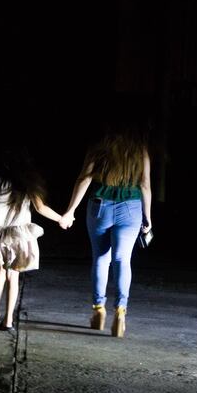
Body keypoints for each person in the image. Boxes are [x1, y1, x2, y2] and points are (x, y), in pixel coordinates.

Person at [60, 118, 152, 338]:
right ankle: (120, 312)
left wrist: (70, 210)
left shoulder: (99, 148)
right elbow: (145, 185)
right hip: (131, 207)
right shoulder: (141, 151)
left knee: (101, 258)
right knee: (122, 260)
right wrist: (148, 217)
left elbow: (84, 179)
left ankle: (98, 311)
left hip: (100, 206)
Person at [0, 146, 64, 331]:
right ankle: (8, 320)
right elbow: (41, 208)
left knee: (0, 272)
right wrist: (61, 219)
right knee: (14, 276)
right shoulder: (27, 184)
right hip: (19, 235)